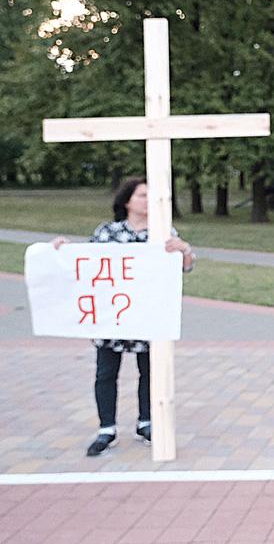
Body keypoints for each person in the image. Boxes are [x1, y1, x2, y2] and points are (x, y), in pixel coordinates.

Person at [52, 177, 196, 457]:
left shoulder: (163, 234)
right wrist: (63, 249)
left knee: (150, 372)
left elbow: (185, 267)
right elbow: (85, 263)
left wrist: (184, 250)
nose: (147, 200)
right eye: (142, 195)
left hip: (148, 317)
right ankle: (106, 428)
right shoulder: (108, 232)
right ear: (127, 201)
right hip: (111, 317)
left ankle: (147, 422)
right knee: (106, 373)